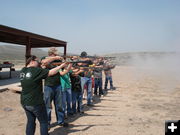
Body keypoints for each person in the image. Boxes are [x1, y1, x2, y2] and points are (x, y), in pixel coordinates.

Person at [20, 55, 66, 135]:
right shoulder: (35, 71)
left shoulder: (23, 70)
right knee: (44, 122)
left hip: (25, 102)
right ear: (32, 61)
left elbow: (44, 63)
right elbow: (51, 72)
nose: (39, 63)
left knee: (31, 121)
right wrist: (61, 66)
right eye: (37, 61)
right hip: (35, 102)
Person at [41, 47, 68, 129]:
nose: (57, 55)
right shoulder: (45, 58)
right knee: (47, 106)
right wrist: (55, 58)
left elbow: (64, 70)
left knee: (59, 105)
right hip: (48, 85)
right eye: (55, 54)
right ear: (51, 54)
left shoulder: (58, 61)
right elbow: (43, 62)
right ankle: (47, 123)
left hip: (58, 85)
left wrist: (65, 63)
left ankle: (60, 121)